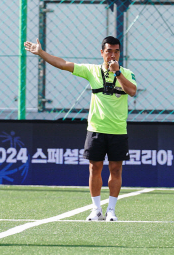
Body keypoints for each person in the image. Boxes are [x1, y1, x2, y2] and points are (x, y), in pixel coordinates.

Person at [24, 36, 137, 222]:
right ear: (102, 52)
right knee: (95, 168)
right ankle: (96, 209)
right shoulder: (91, 71)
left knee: (116, 170)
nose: (112, 55)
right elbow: (63, 64)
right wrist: (41, 53)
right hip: (96, 128)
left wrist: (117, 73)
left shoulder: (126, 73)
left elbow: (132, 91)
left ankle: (111, 211)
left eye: (116, 51)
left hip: (118, 130)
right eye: (109, 51)